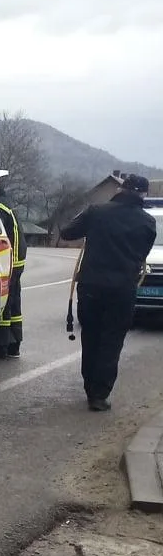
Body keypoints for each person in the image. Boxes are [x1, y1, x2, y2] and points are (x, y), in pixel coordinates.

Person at [61, 173, 158, 411]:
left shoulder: (96, 212)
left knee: (91, 336)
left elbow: (67, 232)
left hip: (91, 286)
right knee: (112, 340)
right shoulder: (148, 223)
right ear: (143, 195)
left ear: (121, 188)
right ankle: (99, 393)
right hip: (123, 289)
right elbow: (142, 253)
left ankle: (89, 385)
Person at [0, 181, 25, 357]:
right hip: (16, 258)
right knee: (13, 302)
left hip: (8, 260)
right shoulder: (4, 200)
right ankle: (14, 344)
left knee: (3, 303)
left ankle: (0, 346)